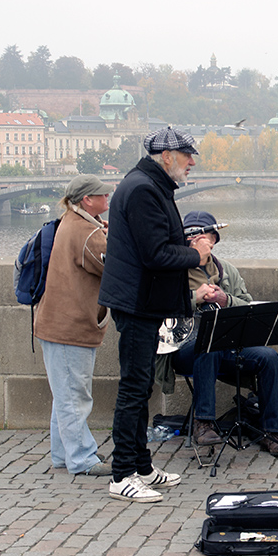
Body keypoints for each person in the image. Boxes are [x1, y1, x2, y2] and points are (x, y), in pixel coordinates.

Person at [98, 126, 214, 503]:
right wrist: (195, 255)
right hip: (137, 303)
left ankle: (143, 466)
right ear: (167, 156)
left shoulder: (147, 185)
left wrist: (183, 243)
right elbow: (155, 255)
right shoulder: (144, 189)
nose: (192, 161)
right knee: (133, 389)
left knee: (141, 385)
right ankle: (121, 475)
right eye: (187, 155)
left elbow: (156, 242)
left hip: (142, 301)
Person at [164, 210, 278, 457]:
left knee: (268, 357)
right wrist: (194, 298)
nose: (204, 242)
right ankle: (203, 424)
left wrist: (225, 299)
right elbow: (158, 307)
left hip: (227, 346)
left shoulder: (226, 270)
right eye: (197, 237)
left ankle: (270, 431)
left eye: (208, 237)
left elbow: (248, 304)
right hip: (185, 348)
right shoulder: (172, 271)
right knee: (209, 345)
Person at [34, 174, 115, 477]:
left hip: (56, 324)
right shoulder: (86, 232)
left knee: (64, 394)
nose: (107, 199)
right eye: (102, 196)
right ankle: (82, 458)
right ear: (87, 200)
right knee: (75, 396)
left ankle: (62, 455)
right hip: (70, 327)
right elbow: (114, 266)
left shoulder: (72, 221)